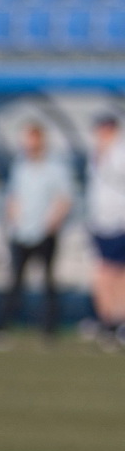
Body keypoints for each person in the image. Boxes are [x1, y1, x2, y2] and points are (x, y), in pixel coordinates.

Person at [0, 120, 77, 337]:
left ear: (40, 140)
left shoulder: (56, 167)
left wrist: (51, 224)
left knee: (47, 282)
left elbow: (64, 199)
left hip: (45, 232)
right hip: (21, 232)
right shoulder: (20, 166)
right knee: (14, 281)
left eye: (30, 139)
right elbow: (13, 196)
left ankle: (49, 329)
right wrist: (12, 221)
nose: (27, 144)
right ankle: (1, 326)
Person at [88, 114, 125, 345]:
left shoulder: (120, 153)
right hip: (100, 222)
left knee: (115, 274)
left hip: (119, 221)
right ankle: (109, 321)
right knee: (105, 273)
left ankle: (117, 322)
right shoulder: (96, 152)